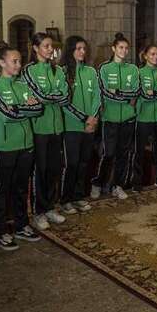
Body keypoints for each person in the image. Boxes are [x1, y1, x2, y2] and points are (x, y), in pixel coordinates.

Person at [0, 44, 44, 251]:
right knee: (1, 188)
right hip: (4, 145)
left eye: (19, 61)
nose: (18, 65)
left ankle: (21, 225)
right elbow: (6, 115)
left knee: (20, 188)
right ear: (2, 62)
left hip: (26, 144)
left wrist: (19, 108)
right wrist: (23, 108)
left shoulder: (23, 85)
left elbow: (38, 108)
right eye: (14, 61)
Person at [22, 33, 69, 230]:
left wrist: (52, 97)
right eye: (46, 46)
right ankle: (38, 211)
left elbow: (66, 96)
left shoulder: (58, 70)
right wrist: (53, 96)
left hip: (57, 126)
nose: (50, 49)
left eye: (52, 46)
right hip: (39, 127)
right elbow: (36, 96)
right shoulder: (29, 71)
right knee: (40, 170)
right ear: (35, 48)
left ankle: (50, 207)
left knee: (54, 169)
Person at [93, 33, 140, 200]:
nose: (124, 51)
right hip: (110, 119)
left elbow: (136, 91)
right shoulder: (104, 68)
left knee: (123, 153)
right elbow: (105, 92)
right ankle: (98, 183)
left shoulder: (133, 69)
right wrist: (125, 96)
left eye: (126, 48)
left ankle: (117, 185)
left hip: (127, 118)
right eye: (121, 47)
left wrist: (122, 97)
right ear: (113, 48)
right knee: (109, 153)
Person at [59, 36, 100, 213]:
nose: (82, 51)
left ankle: (78, 196)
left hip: (89, 126)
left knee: (84, 163)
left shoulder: (91, 72)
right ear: (70, 51)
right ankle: (65, 199)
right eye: (78, 48)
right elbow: (64, 102)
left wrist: (93, 118)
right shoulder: (62, 72)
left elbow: (97, 97)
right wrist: (84, 118)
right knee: (72, 163)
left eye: (84, 48)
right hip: (71, 126)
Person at [133, 44, 157, 192]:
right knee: (140, 151)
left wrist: (154, 93)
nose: (156, 57)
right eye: (152, 54)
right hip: (143, 117)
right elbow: (143, 94)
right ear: (145, 56)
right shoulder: (139, 73)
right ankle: (136, 182)